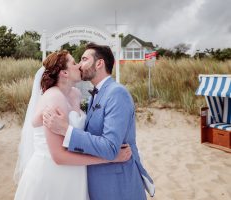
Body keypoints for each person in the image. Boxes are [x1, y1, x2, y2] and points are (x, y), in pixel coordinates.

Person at [13, 50, 132, 200]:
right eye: (74, 63)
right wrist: (110, 158)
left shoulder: (75, 94)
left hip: (73, 173)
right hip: (54, 175)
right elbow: (59, 156)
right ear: (64, 73)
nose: (79, 66)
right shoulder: (54, 97)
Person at [43, 43, 155, 200]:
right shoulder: (96, 94)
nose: (80, 65)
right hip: (99, 185)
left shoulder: (117, 93)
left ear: (99, 63)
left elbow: (110, 147)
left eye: (84, 59)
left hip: (117, 186)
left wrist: (66, 130)